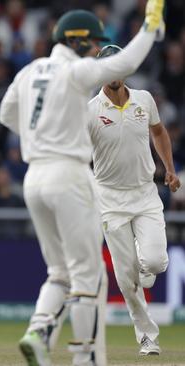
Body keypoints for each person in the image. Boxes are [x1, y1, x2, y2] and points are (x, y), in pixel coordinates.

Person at [0, 1, 165, 364]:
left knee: (58, 272)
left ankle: (39, 330)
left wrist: (39, 135)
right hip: (68, 174)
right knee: (88, 275)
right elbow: (127, 63)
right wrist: (151, 27)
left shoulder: (29, 71)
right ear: (77, 41)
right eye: (91, 44)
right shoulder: (75, 72)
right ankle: (85, 356)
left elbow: (6, 114)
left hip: (34, 177)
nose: (93, 51)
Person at [88, 44, 177, 356]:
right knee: (127, 279)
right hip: (110, 199)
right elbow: (76, 154)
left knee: (155, 263)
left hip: (144, 194)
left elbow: (159, 132)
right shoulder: (90, 111)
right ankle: (147, 336)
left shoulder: (144, 99)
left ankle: (145, 262)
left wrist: (170, 168)